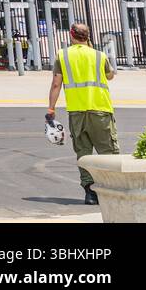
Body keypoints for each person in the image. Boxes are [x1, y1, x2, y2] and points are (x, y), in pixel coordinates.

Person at [47, 22, 119, 205]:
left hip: (77, 112)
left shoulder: (62, 55)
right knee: (108, 151)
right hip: (100, 109)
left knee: (83, 153)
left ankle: (90, 192)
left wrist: (51, 108)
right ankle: (110, 190)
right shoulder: (99, 55)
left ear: (72, 35)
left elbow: (56, 84)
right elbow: (110, 75)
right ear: (88, 36)